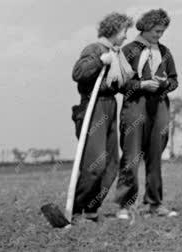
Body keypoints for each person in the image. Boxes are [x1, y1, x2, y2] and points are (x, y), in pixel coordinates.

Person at [114, 8, 179, 219]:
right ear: (145, 27)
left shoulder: (165, 52)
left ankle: (155, 203)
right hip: (135, 105)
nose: (159, 35)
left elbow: (174, 80)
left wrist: (165, 84)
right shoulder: (127, 51)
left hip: (159, 105)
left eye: (162, 31)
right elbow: (118, 83)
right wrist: (141, 85)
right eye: (156, 31)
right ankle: (125, 205)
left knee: (155, 157)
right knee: (131, 156)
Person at [71, 12, 134, 222]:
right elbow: (78, 73)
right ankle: (76, 209)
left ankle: (91, 209)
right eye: (124, 31)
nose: (126, 36)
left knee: (110, 165)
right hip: (93, 105)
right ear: (114, 30)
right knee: (95, 164)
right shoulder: (95, 49)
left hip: (109, 105)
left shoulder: (116, 53)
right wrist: (100, 61)